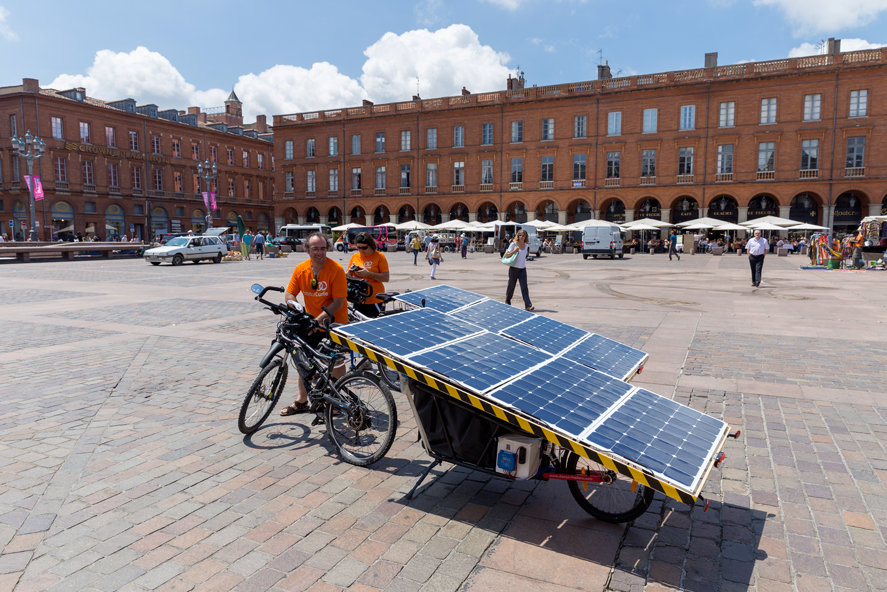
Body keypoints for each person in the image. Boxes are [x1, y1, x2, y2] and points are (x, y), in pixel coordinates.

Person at [280, 233, 349, 416]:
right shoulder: (301, 269)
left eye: (323, 248)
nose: (319, 252)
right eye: (315, 248)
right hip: (311, 322)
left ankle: (336, 399)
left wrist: (317, 321)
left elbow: (338, 302)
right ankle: (302, 400)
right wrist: (293, 304)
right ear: (307, 249)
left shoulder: (336, 269)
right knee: (304, 361)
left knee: (336, 362)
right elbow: (290, 293)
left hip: (335, 322)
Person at [347, 232, 390, 317]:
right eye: (358, 247)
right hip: (357, 298)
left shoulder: (379, 256)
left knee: (375, 326)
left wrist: (369, 274)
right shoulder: (355, 256)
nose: (361, 250)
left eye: (364, 248)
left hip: (375, 299)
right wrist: (349, 272)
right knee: (358, 325)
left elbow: (386, 278)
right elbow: (346, 276)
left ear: (370, 245)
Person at [504, 229, 535, 311]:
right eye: (520, 235)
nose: (521, 237)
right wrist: (514, 251)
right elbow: (506, 255)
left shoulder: (526, 246)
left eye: (523, 235)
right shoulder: (513, 244)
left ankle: (528, 305)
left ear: (525, 237)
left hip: (522, 269)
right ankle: (507, 302)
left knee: (524, 287)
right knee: (511, 286)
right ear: (518, 236)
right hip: (514, 268)